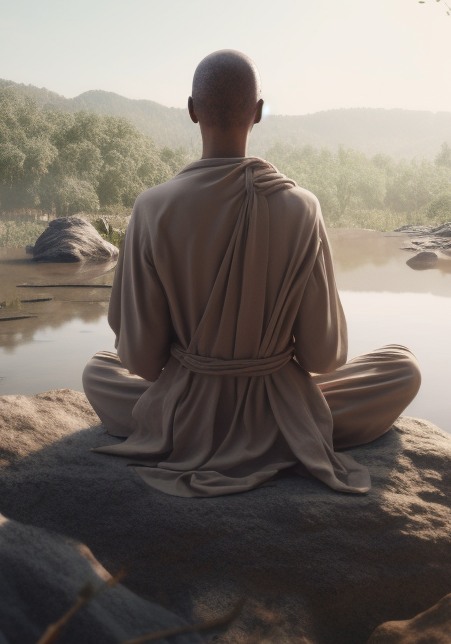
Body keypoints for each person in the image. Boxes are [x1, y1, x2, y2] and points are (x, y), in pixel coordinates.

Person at [82, 50, 421, 497]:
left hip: (184, 416)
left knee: (98, 370)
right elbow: (323, 358)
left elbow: (143, 363)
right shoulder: (301, 206)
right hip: (287, 410)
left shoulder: (152, 207)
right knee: (402, 366)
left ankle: (204, 432)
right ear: (259, 112)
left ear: (190, 110)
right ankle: (289, 435)